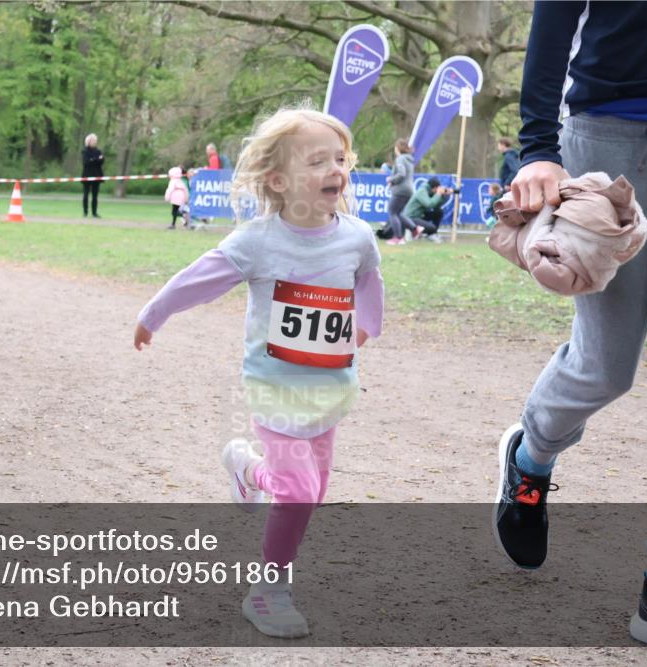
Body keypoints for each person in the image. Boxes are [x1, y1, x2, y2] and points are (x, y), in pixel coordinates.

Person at [491, 3, 647, 665]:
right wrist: (538, 147)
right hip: (606, 141)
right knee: (606, 365)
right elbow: (555, 14)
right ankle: (531, 454)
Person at [134, 107, 384, 639]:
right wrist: (153, 314)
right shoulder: (257, 241)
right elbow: (197, 279)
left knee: (310, 492)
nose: (335, 170)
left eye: (340, 159)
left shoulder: (358, 237)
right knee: (299, 493)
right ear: (278, 180)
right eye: (317, 161)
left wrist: (367, 326)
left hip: (330, 387)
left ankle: (248, 472)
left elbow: (368, 281)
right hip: (275, 390)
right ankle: (268, 591)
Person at [385, 139, 421, 246]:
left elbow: (401, 174)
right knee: (398, 213)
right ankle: (415, 229)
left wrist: (391, 179)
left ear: (397, 148)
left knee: (392, 212)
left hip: (401, 190)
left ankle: (398, 238)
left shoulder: (400, 159)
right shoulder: (409, 160)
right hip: (409, 190)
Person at [403, 177, 452, 243]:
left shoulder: (430, 191)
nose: (438, 190)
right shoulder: (422, 191)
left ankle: (431, 234)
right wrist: (438, 194)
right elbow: (429, 204)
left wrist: (443, 196)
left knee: (438, 212)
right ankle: (413, 230)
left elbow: (436, 205)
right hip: (411, 217)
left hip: (420, 215)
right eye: (437, 189)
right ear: (434, 188)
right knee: (432, 228)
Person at [81, 133, 104, 218]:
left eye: (95, 140)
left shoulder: (98, 151)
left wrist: (94, 160)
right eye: (93, 140)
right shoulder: (85, 151)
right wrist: (96, 159)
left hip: (96, 175)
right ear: (89, 141)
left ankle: (94, 213)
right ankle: (85, 212)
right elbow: (86, 162)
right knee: (86, 195)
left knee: (95, 196)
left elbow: (101, 161)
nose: (95, 142)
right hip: (87, 175)